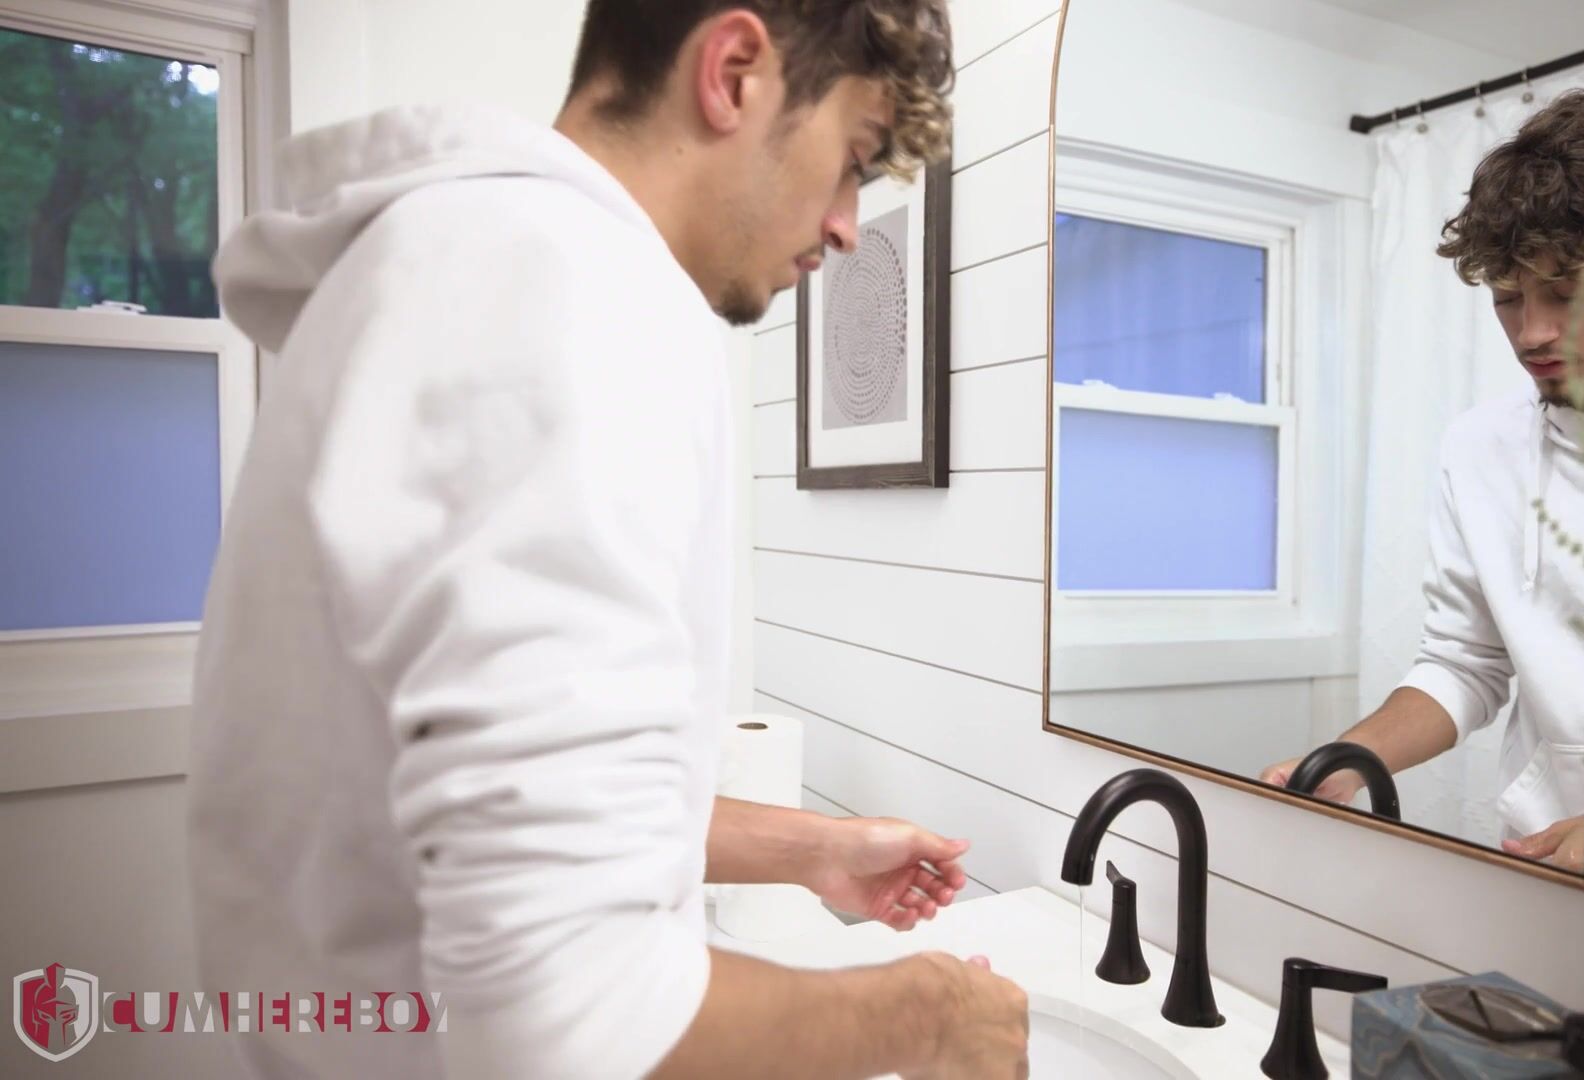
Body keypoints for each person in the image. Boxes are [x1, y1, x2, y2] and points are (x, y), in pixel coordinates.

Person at [187, 2, 1029, 1077]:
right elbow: (571, 1018)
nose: (847, 226)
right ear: (734, 71)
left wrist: (809, 850)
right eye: (853, 159)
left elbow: (477, 800)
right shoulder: (572, 293)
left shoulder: (453, 266)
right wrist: (933, 1015)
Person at [1263, 91, 1584, 873]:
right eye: (1508, 299)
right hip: (1538, 852)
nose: (1532, 332)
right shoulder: (1480, 447)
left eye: (1565, 292)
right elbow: (1464, 663)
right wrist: (1347, 759)